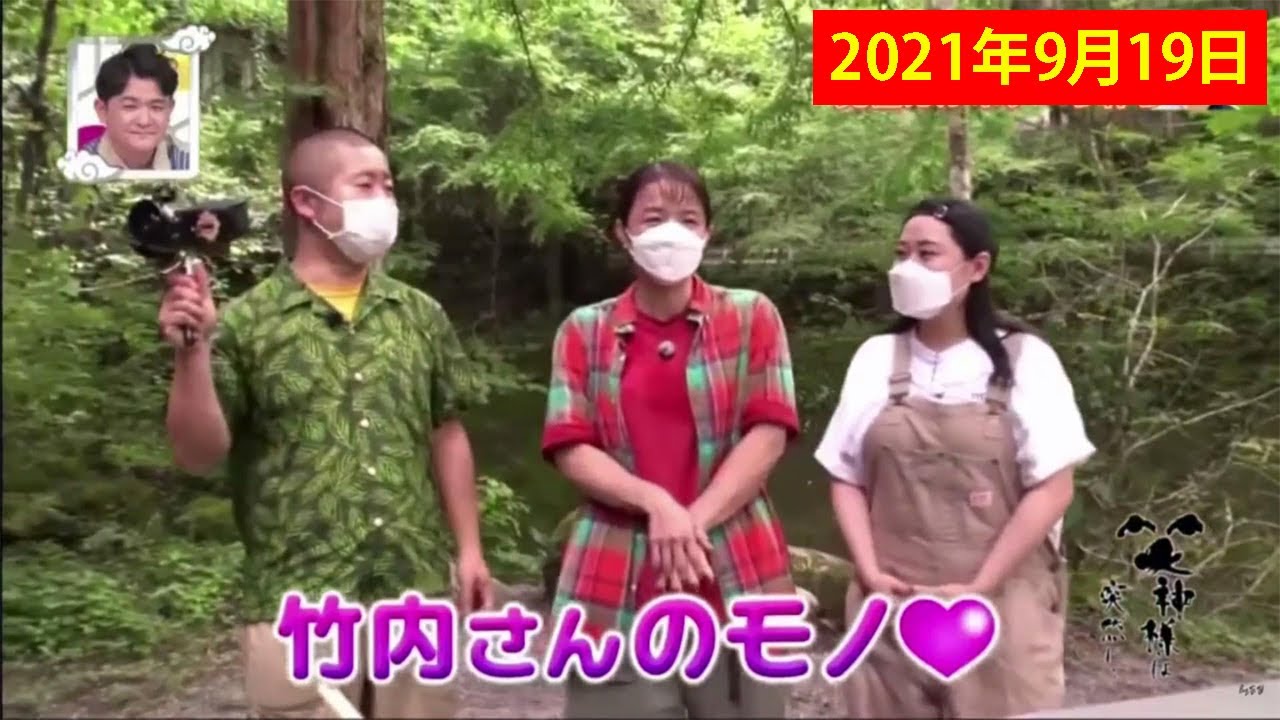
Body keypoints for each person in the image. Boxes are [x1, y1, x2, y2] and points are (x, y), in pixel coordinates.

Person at [160, 127, 491, 718]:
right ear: (306, 203)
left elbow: (447, 431)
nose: (383, 199)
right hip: (298, 600)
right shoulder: (247, 324)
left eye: (388, 186)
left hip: (411, 593)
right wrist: (193, 352)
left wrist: (469, 549)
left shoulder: (419, 315)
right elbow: (198, 454)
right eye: (365, 185)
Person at [814, 198, 1095, 718]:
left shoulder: (1026, 360)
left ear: (978, 267)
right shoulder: (876, 358)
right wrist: (869, 570)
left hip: (1002, 605)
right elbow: (845, 475)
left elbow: (1054, 488)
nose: (908, 268)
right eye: (901, 253)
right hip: (890, 602)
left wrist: (980, 586)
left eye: (927, 254)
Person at [541, 161, 802, 719]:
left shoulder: (752, 316)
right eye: (653, 217)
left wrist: (692, 522)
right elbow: (570, 444)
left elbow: (770, 431)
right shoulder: (584, 330)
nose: (671, 232)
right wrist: (656, 503)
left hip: (738, 572)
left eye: (688, 219)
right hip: (615, 579)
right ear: (622, 232)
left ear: (708, 232)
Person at [87, 43, 191, 171]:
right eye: (130, 106)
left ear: (170, 110)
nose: (144, 121)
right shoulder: (81, 162)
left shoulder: (188, 163)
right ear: (102, 110)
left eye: (156, 107)